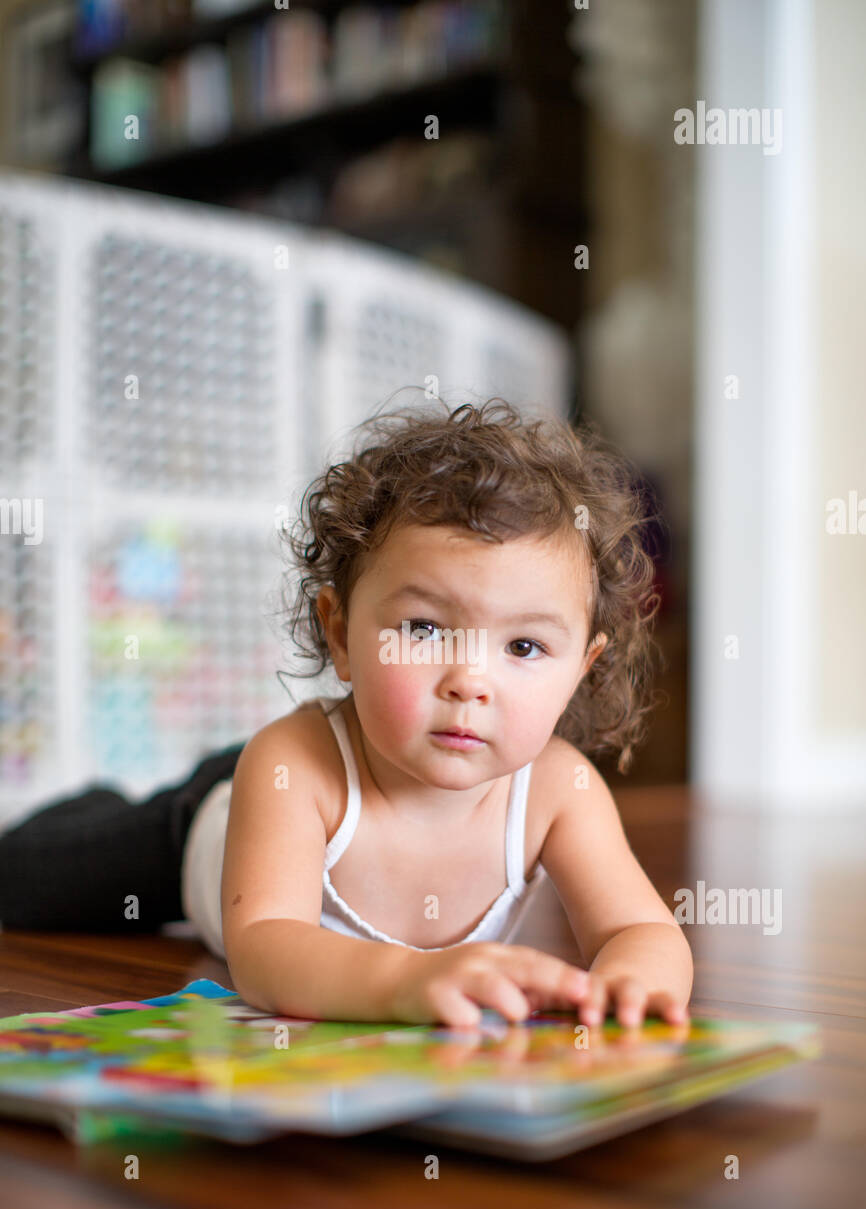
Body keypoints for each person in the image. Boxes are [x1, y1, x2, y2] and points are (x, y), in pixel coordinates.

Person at [0, 396, 693, 1028]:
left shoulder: (560, 790)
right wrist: (409, 979)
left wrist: (632, 984)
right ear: (340, 633)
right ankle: (101, 806)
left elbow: (641, 932)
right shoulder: (290, 764)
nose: (469, 682)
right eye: (424, 629)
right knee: (24, 882)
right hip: (206, 825)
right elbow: (267, 950)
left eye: (523, 645)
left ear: (581, 668)